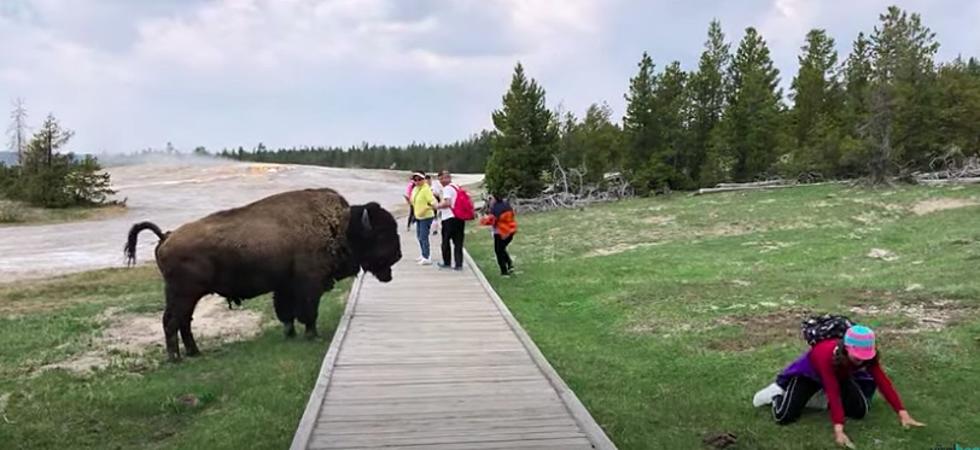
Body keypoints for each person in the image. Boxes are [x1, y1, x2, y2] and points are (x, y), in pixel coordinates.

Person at [766, 325, 925, 448]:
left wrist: (902, 413)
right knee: (784, 416)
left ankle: (819, 398)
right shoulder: (826, 354)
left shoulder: (868, 357)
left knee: (860, 411)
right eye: (858, 357)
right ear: (847, 348)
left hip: (840, 376)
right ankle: (777, 396)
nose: (862, 361)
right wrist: (839, 430)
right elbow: (833, 391)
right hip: (809, 376)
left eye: (865, 357)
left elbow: (883, 382)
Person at [479, 194, 517, 276]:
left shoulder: (496, 208)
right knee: (502, 249)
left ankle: (504, 271)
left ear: (495, 199)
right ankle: (510, 264)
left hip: (500, 233)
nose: (490, 201)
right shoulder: (506, 205)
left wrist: (482, 220)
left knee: (498, 251)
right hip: (510, 231)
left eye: (491, 198)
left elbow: (492, 220)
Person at [435, 170, 464, 270]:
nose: (441, 181)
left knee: (446, 241)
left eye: (442, 178)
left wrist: (437, 206)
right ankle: (458, 264)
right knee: (458, 242)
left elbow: (447, 203)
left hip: (449, 218)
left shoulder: (447, 189)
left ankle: (447, 262)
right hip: (459, 217)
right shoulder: (456, 187)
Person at [409, 172, 437, 265]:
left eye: (419, 179)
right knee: (419, 236)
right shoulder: (416, 189)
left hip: (426, 216)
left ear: (423, 180)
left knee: (423, 237)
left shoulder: (426, 189)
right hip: (418, 216)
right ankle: (423, 254)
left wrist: (429, 207)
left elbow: (433, 201)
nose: (417, 181)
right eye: (415, 180)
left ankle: (427, 257)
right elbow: (413, 201)